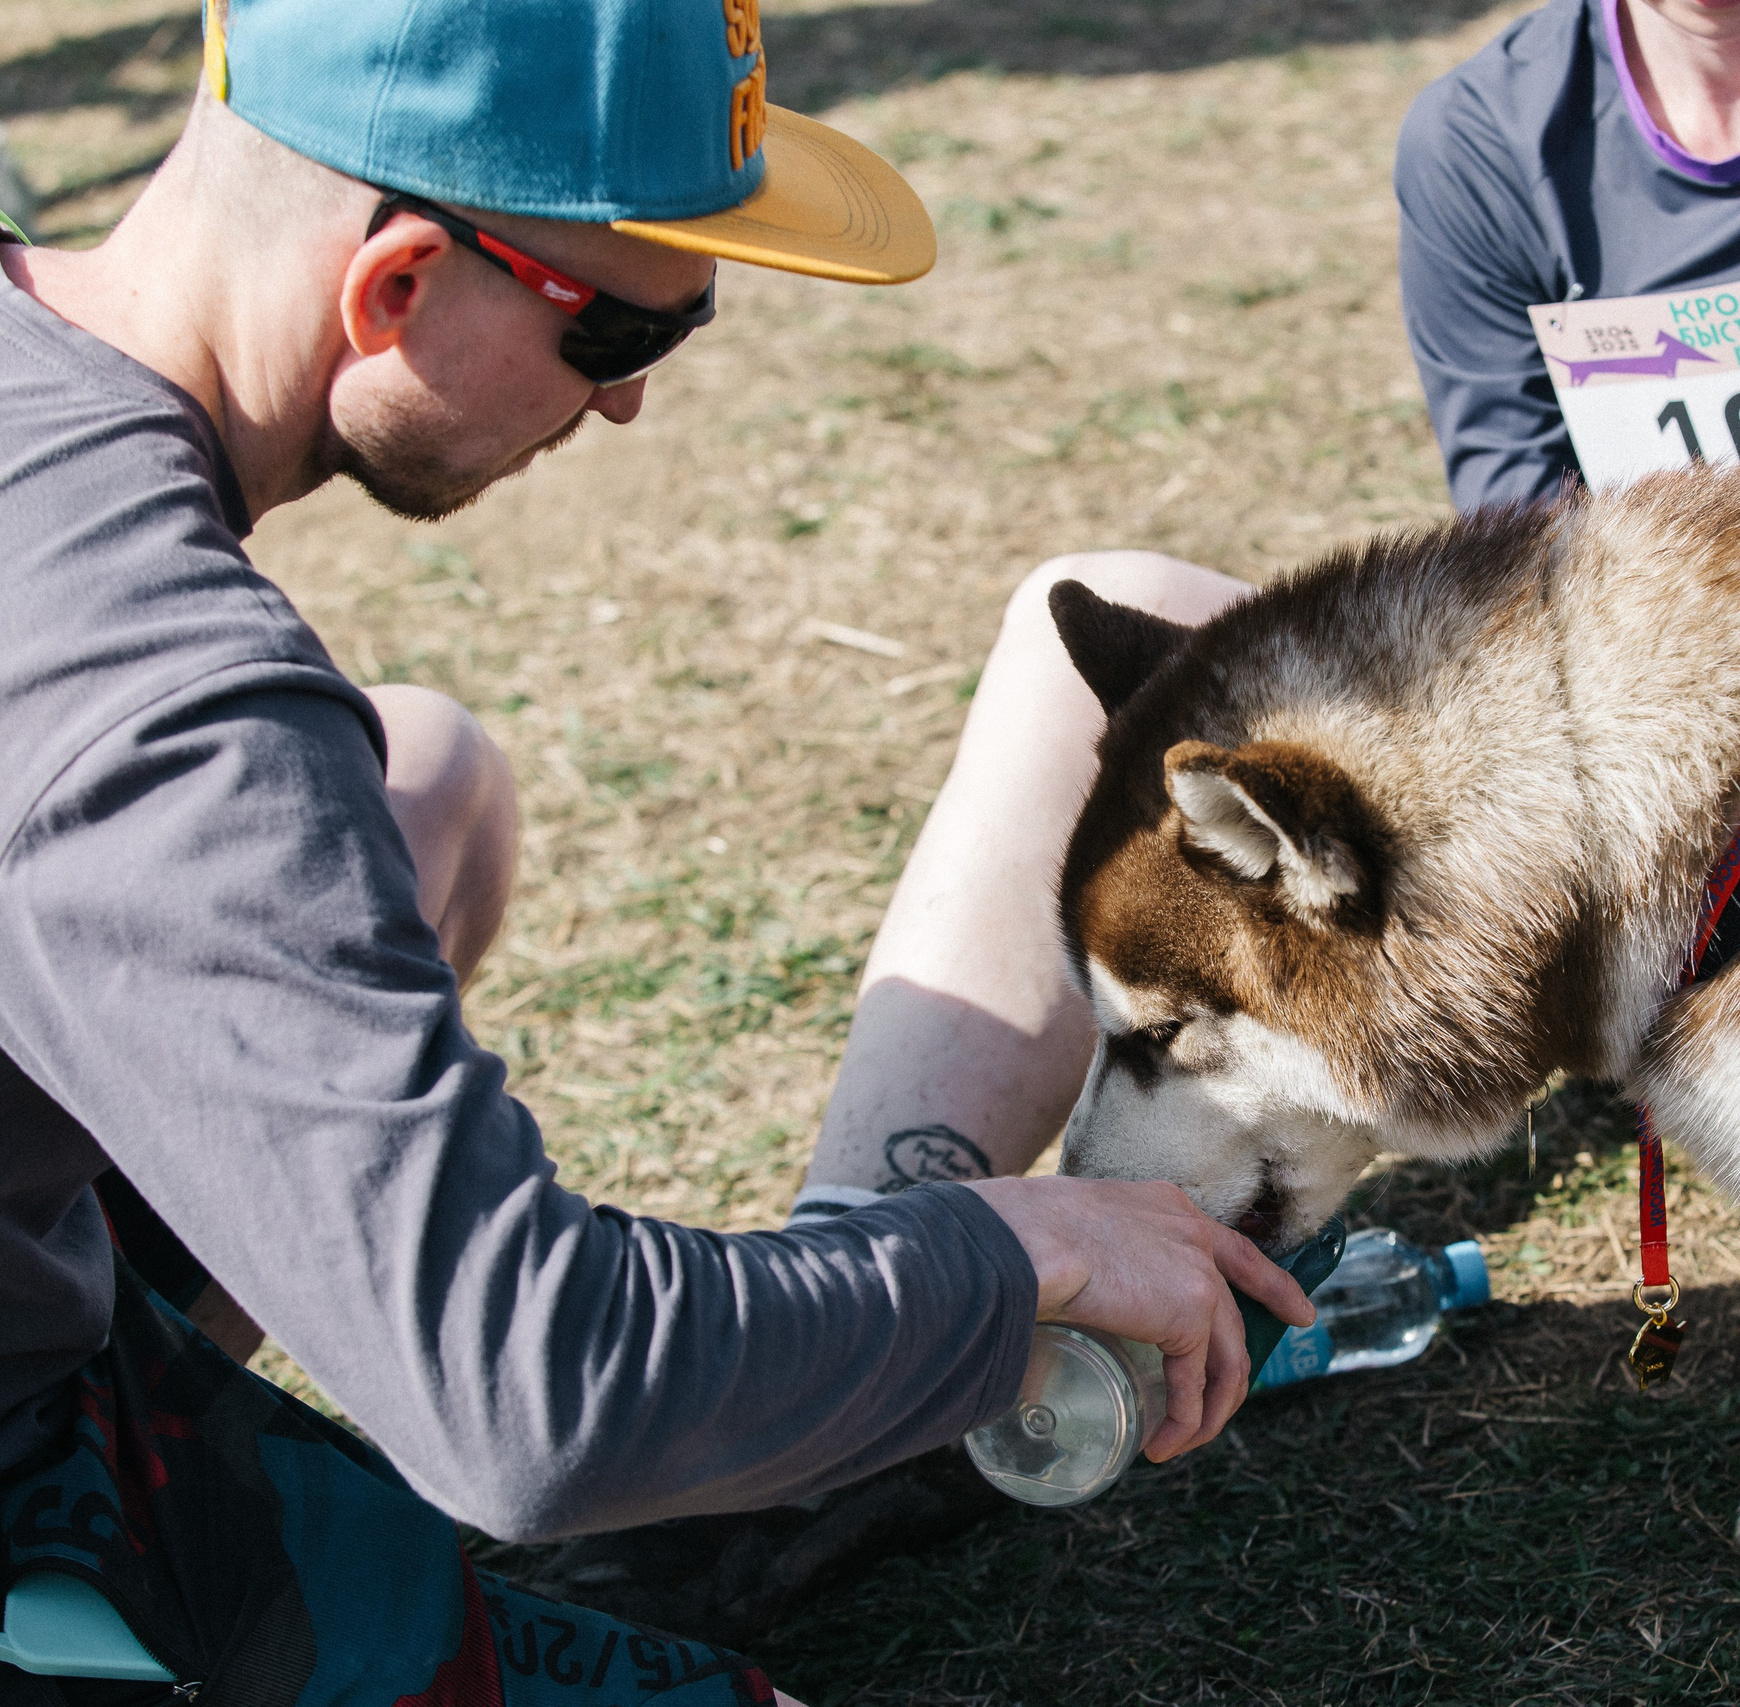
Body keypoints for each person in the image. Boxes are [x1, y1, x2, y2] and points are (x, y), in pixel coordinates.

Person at [780, 0, 1740, 1701]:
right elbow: (1508, 540)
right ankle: (868, 1301)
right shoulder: (1490, 138)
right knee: (1102, 619)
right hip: (1635, 758)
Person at [0, 0, 1311, 1697]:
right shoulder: (171, 719)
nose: (622, 406)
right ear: (394, 287)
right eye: (621, 335)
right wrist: (1010, 1251)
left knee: (424, 778)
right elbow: (532, 1397)